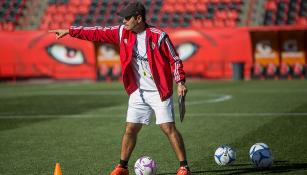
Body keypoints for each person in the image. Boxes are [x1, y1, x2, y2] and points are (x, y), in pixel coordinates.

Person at [49, 2, 191, 175]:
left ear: (138, 18)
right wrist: (70, 31)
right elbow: (97, 32)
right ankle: (122, 167)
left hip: (159, 92)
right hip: (138, 92)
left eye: (127, 18)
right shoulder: (122, 32)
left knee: (167, 127)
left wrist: (180, 82)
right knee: (130, 129)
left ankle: (184, 167)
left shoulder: (159, 36)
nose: (124, 21)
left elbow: (175, 59)